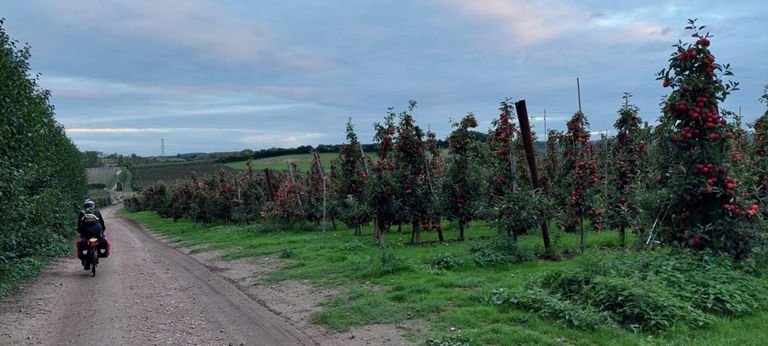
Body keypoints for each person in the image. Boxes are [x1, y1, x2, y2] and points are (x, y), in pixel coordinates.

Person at [77, 199, 106, 270]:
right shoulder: (97, 212)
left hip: (86, 234)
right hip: (97, 233)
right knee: (100, 241)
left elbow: (79, 225)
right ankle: (98, 255)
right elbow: (102, 223)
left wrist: (80, 231)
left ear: (85, 206)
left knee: (83, 243)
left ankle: (85, 261)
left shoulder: (82, 213)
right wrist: (102, 231)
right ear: (93, 205)